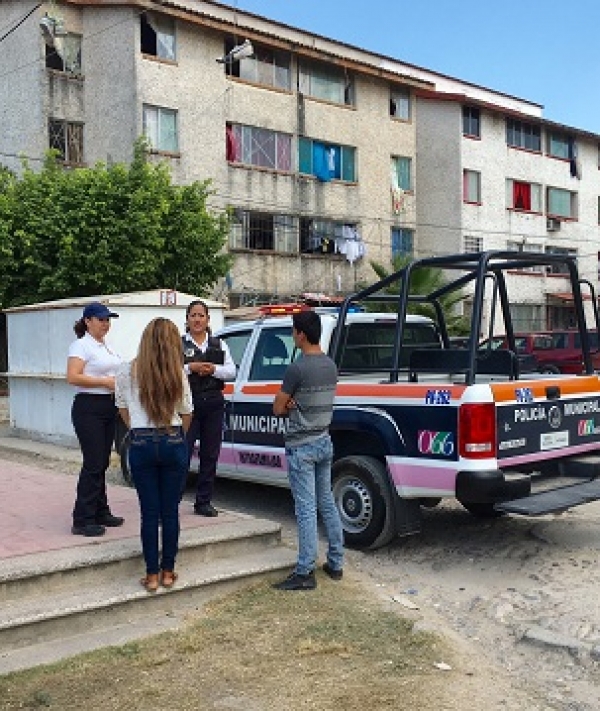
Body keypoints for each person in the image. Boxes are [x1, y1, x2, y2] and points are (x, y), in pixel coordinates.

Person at [115, 318, 193, 593]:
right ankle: (168, 571)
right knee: (170, 512)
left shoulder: (126, 370)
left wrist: (140, 431)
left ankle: (150, 576)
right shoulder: (178, 373)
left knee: (149, 513)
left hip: (141, 442)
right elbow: (187, 413)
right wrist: (174, 436)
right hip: (172, 439)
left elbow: (123, 410)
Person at [272, 310, 344, 591]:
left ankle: (305, 571)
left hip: (301, 445)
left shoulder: (297, 368)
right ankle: (336, 562)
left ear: (301, 334)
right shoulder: (330, 365)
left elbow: (278, 408)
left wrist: (288, 404)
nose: (293, 336)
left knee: (305, 509)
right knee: (326, 502)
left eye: (293, 331)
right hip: (324, 440)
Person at [67, 301, 123, 537]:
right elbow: (73, 377)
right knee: (93, 462)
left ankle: (100, 510)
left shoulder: (105, 346)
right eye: (101, 319)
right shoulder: (81, 346)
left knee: (102, 461)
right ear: (88, 321)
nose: (105, 324)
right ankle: (82, 518)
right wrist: (104, 382)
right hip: (89, 407)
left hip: (108, 406)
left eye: (107, 319)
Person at [183, 300, 236, 517]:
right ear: (187, 319)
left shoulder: (219, 344)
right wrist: (190, 367)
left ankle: (203, 501)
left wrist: (213, 369)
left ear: (207, 319)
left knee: (210, 454)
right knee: (181, 453)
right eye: (193, 315)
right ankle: (173, 499)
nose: (197, 319)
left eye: (201, 315)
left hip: (213, 403)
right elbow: (170, 371)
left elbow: (231, 371)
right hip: (188, 404)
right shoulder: (179, 344)